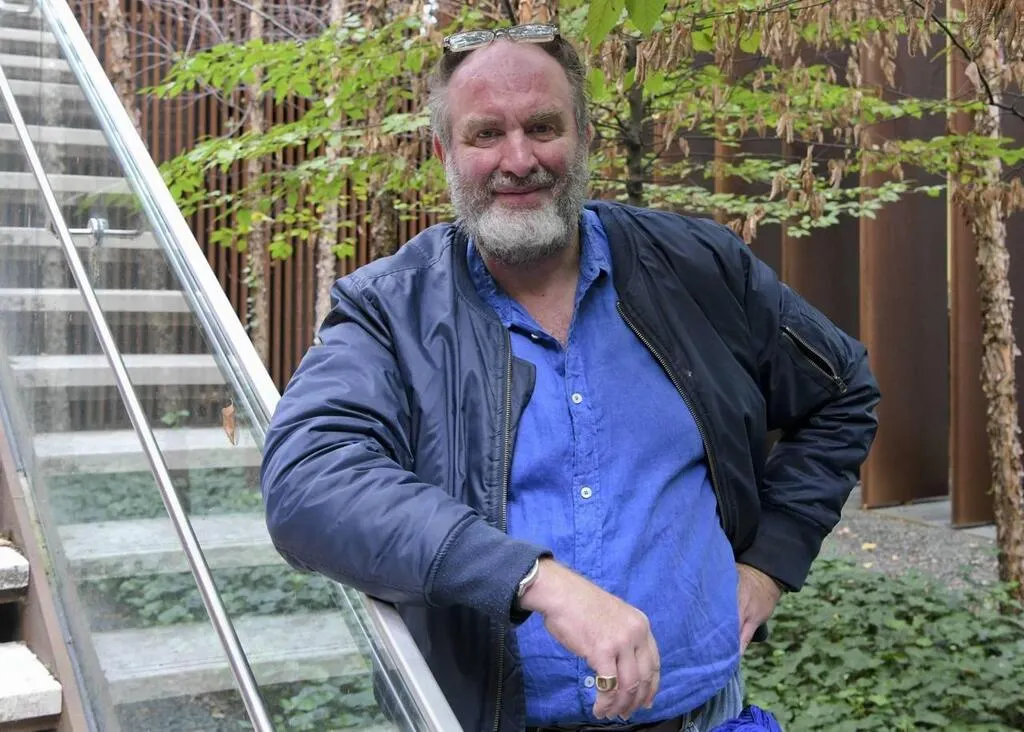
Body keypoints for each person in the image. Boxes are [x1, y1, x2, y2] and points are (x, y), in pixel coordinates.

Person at [260, 23, 881, 732]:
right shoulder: (390, 311)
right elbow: (307, 481)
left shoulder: (698, 269)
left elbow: (842, 393)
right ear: (444, 152)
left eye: (543, 127)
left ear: (585, 136)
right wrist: (535, 580)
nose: (518, 159)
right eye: (485, 134)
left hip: (707, 717)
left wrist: (771, 561)